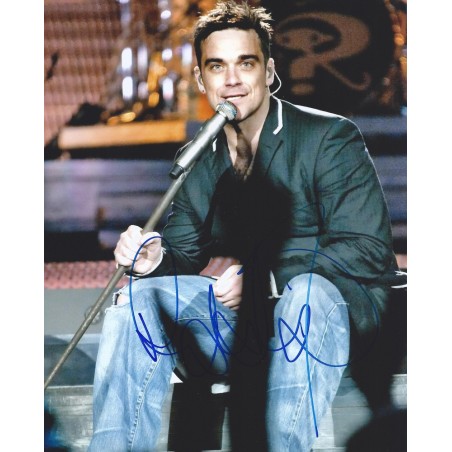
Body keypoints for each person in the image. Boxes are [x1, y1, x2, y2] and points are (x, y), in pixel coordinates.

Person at [88, 1, 399, 451]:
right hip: (248, 330)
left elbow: (367, 249)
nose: (231, 79)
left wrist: (264, 278)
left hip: (329, 320)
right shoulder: (203, 154)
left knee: (306, 293)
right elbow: (185, 251)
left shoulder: (328, 137)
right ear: (201, 80)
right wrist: (155, 259)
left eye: (245, 63)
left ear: (269, 71)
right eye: (217, 66)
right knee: (139, 299)